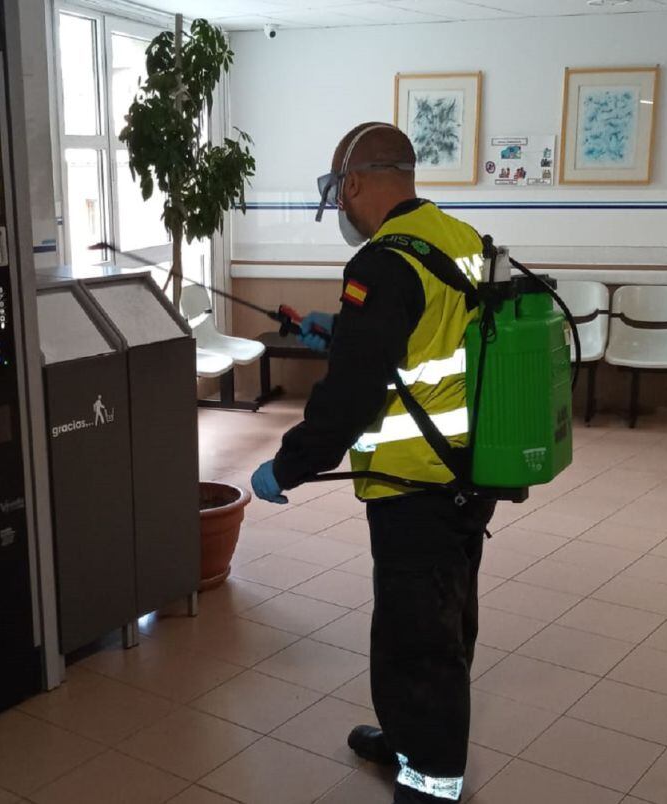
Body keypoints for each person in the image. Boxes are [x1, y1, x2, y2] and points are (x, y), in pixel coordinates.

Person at [250, 122, 496, 804]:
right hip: (467, 470)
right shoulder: (460, 240)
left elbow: (352, 395)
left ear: (354, 181)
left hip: (415, 481)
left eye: (337, 194)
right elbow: (427, 338)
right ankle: (408, 737)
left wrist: (291, 463)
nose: (342, 210)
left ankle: (432, 780)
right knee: (439, 616)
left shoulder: (383, 262)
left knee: (419, 636)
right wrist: (344, 329)